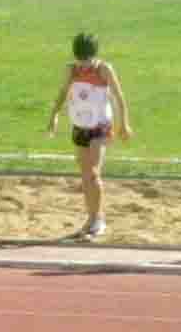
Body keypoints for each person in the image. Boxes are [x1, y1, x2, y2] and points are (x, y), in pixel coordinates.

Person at [47, 32, 133, 241]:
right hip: (80, 126)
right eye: (80, 60)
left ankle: (97, 221)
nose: (84, 65)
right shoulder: (72, 70)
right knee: (85, 175)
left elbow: (119, 97)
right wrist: (54, 116)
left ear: (94, 55)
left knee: (93, 172)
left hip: (100, 127)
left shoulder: (104, 69)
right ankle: (92, 217)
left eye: (87, 60)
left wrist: (124, 124)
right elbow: (62, 92)